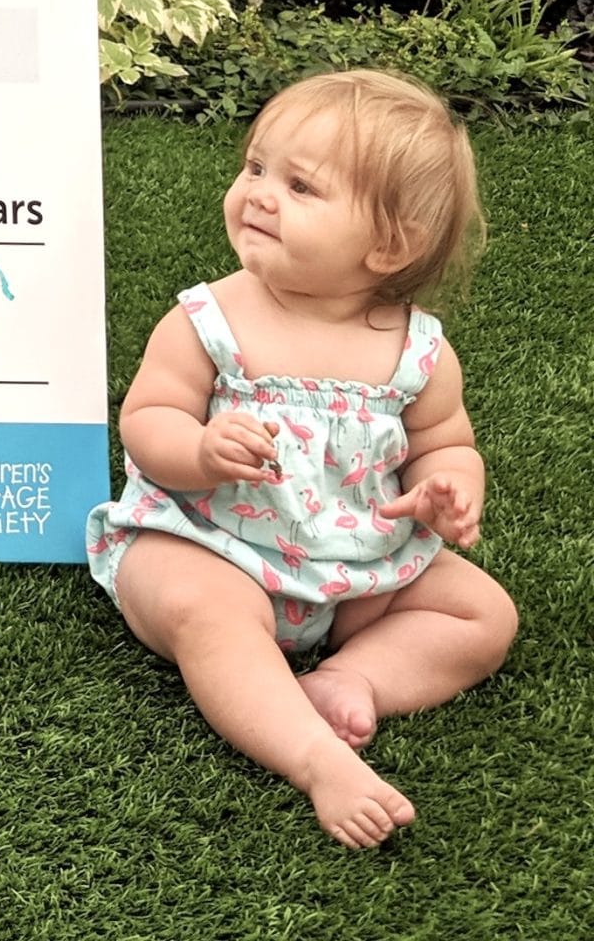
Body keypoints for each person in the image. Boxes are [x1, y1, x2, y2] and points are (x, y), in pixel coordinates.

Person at [85, 70, 517, 848]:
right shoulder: (209, 319)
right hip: (211, 545)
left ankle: (355, 678)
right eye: (254, 167)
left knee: (484, 614)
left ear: (391, 244)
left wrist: (446, 487)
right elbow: (148, 420)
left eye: (300, 186)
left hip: (355, 562)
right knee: (203, 612)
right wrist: (202, 451)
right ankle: (316, 759)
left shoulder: (418, 351)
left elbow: (445, 442)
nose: (258, 192)